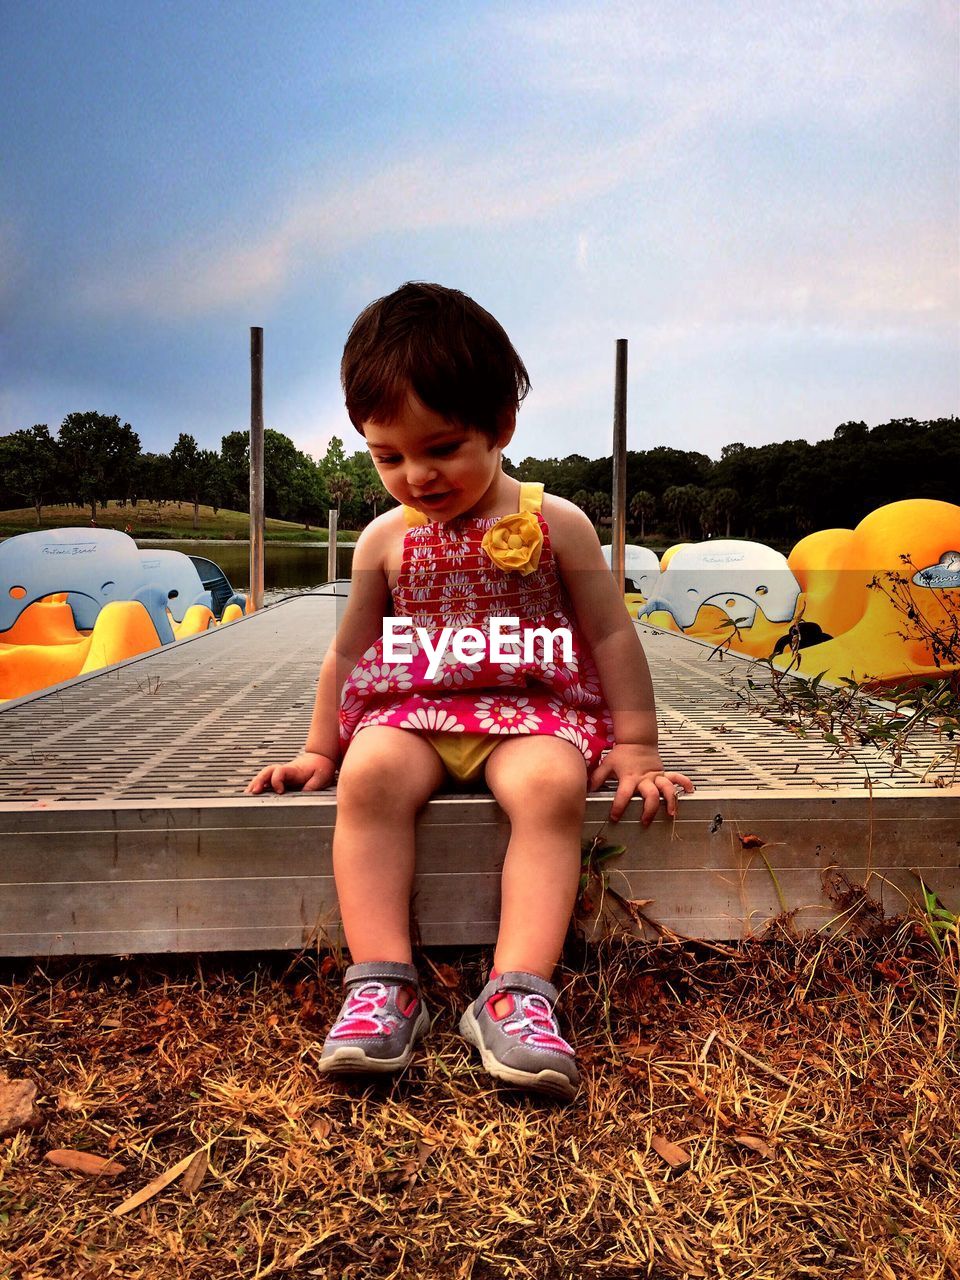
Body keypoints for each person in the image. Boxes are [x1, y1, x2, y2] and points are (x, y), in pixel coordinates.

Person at [246, 282, 694, 1101]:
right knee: (370, 776)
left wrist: (635, 743)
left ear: (501, 428)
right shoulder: (384, 539)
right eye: (388, 457)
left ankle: (518, 991)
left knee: (551, 787)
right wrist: (320, 748)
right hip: (414, 709)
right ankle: (383, 982)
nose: (417, 475)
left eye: (443, 447)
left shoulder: (556, 522)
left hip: (527, 709)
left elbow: (609, 634)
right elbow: (350, 650)